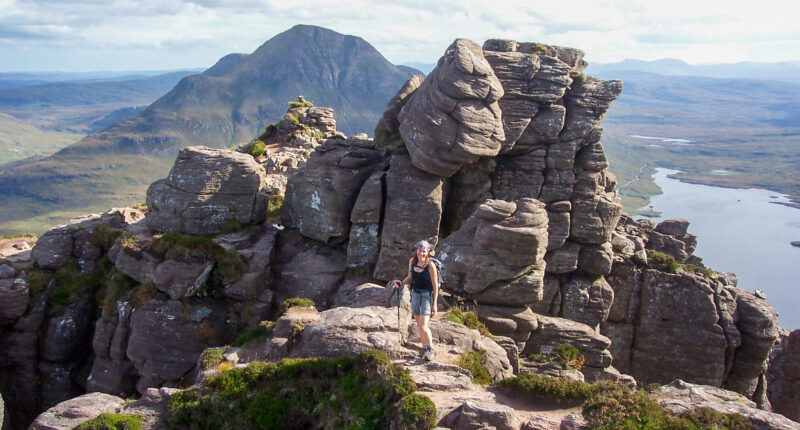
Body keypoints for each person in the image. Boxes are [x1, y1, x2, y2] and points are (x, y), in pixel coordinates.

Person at [394, 240, 438, 361]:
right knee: (419, 326)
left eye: (424, 251)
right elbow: (410, 277)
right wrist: (402, 283)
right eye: (419, 250)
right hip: (415, 295)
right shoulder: (412, 262)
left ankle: (430, 349)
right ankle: (424, 348)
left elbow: (435, 286)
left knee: (423, 325)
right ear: (416, 251)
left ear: (427, 252)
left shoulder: (430, 265)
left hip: (426, 296)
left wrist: (434, 305)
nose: (421, 253)